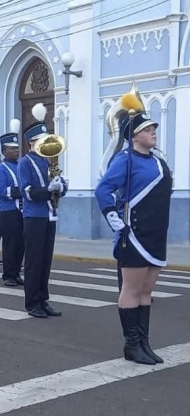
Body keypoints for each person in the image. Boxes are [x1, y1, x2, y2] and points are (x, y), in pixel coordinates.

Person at [95, 95, 172, 365]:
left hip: (156, 233)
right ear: (135, 135)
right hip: (135, 234)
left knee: (147, 290)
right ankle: (132, 345)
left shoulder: (158, 159)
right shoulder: (125, 160)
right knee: (132, 289)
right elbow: (103, 189)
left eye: (153, 128)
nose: (153, 132)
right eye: (147, 129)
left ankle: (143, 343)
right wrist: (114, 217)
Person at [17, 103, 68, 319]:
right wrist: (48, 190)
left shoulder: (49, 161)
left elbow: (59, 188)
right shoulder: (25, 162)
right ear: (31, 142)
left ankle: (43, 299)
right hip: (34, 217)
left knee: (46, 261)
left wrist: (61, 187)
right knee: (34, 261)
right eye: (40, 140)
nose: (45, 143)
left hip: (50, 216)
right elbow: (27, 191)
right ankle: (32, 302)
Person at [0, 119, 25, 287]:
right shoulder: (0, 168)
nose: (16, 151)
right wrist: (20, 191)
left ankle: (16, 272)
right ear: (4, 151)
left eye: (17, 148)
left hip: (22, 211)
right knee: (10, 243)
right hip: (8, 211)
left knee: (21, 244)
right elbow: (0, 190)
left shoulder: (20, 165)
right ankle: (8, 275)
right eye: (12, 148)